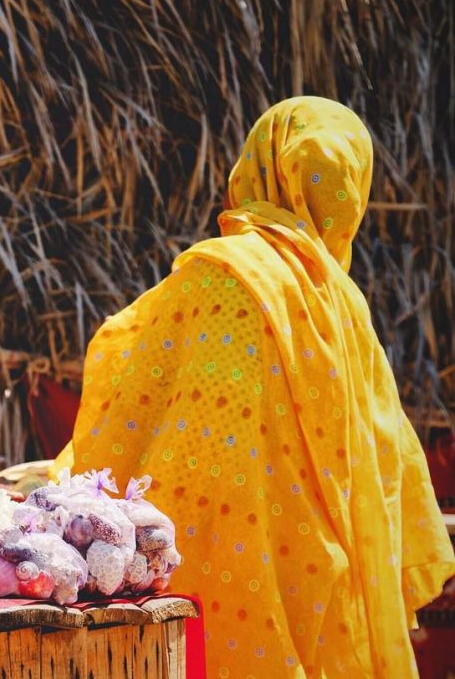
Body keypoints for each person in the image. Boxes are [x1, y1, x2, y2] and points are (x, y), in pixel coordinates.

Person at [54, 96, 454, 676]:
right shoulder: (345, 307)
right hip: (322, 577)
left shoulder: (219, 275)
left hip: (204, 569)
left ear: (258, 166)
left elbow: (137, 389)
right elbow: (386, 462)